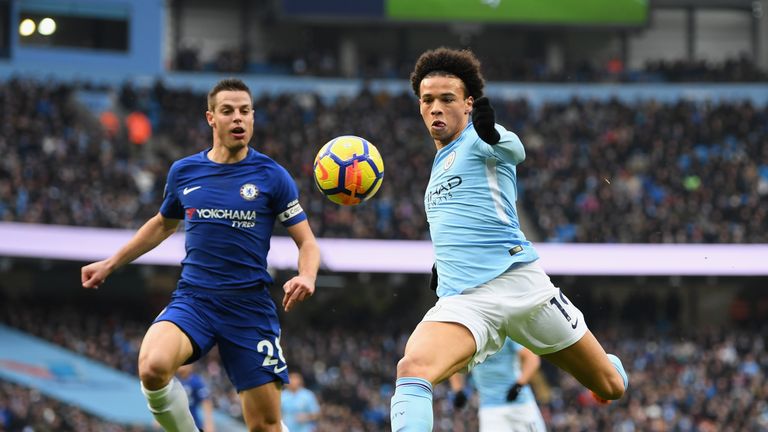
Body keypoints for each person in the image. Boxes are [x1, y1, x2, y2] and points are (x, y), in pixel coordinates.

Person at [390, 47, 628, 431]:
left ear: (468, 104)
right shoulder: (437, 168)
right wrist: (445, 264)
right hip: (466, 301)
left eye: (447, 99)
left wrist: (491, 130)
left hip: (522, 286)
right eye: (428, 100)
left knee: (611, 387)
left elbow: (514, 149)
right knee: (412, 368)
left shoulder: (481, 140)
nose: (436, 107)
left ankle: (609, 365)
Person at [81, 78, 320, 432]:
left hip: (247, 309)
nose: (238, 118)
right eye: (228, 111)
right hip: (195, 299)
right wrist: (111, 262)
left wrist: (307, 275)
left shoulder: (273, 177)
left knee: (265, 425)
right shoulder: (185, 172)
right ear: (211, 118)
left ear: (253, 118)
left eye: (244, 111)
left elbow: (308, 243)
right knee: (152, 365)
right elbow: (163, 224)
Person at [449, 338, 547, 432]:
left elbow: (532, 359)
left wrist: (519, 385)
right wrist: (458, 390)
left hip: (520, 404)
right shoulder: (473, 337)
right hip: (490, 409)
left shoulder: (507, 332)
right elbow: (455, 362)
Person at [176, 364, 215, 432]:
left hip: (193, 422)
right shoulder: (172, 381)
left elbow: (206, 401)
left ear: (191, 366)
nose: (182, 366)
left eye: (185, 364)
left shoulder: (196, 381)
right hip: (175, 421)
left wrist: (208, 423)